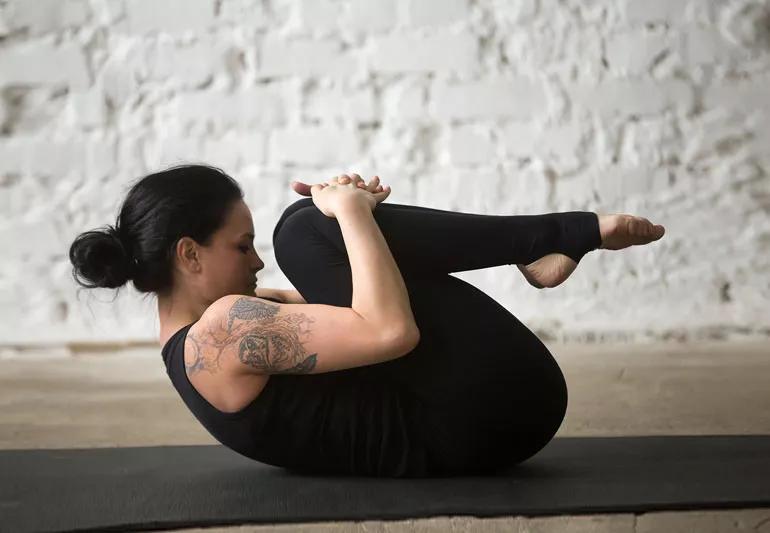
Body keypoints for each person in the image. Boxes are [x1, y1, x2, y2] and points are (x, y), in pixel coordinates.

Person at [68, 163, 665, 478]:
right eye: (240, 246)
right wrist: (349, 214)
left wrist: (350, 221)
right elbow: (389, 331)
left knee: (310, 228)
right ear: (190, 255)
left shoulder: (213, 336)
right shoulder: (226, 332)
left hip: (493, 420)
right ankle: (550, 237)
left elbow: (365, 294)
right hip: (488, 418)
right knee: (304, 227)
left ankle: (548, 240)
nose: (255, 261)